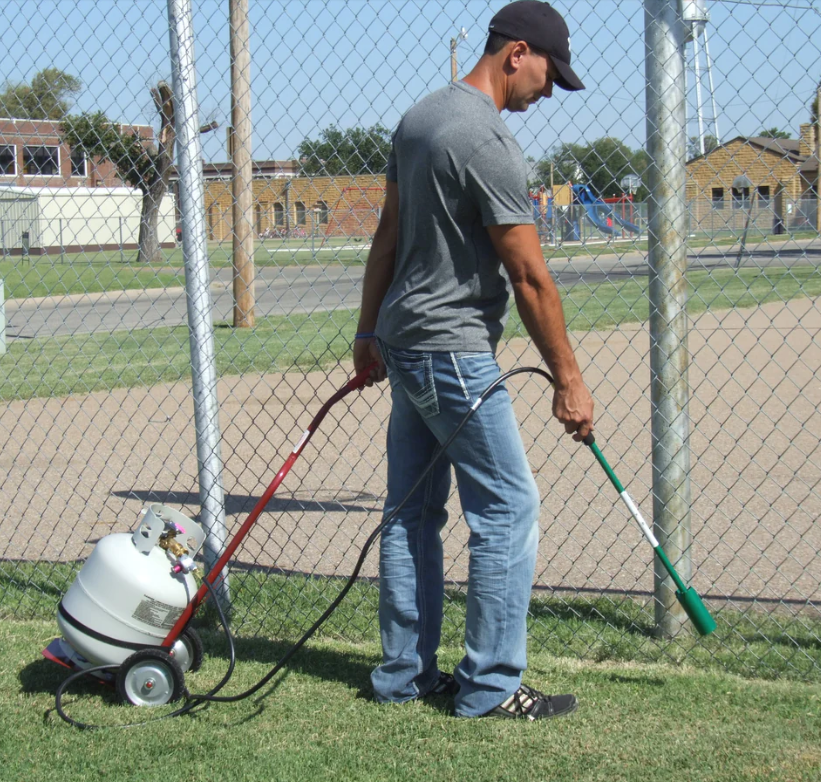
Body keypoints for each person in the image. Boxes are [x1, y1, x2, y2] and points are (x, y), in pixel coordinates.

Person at [353, 0, 595, 720]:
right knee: (507, 507)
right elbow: (528, 277)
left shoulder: (421, 117)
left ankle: (404, 676)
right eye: (550, 75)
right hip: (453, 350)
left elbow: (386, 237)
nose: (548, 92)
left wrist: (368, 332)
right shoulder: (484, 139)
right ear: (517, 52)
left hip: (406, 341)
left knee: (409, 513)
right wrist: (569, 380)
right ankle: (489, 686)